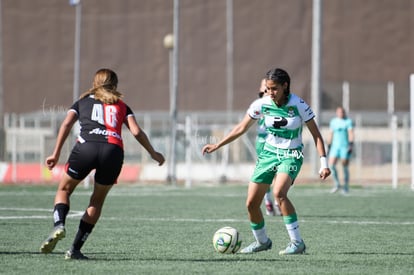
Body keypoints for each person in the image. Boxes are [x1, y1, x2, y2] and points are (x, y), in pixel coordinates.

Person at [39, 68, 165, 260]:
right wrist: (154, 154)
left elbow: (66, 124)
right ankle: (74, 249)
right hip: (112, 152)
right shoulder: (122, 105)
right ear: (115, 85)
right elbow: (137, 132)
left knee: (64, 189)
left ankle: (59, 225)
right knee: (96, 201)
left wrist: (55, 154)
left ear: (94, 83)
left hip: (86, 149)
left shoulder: (82, 102)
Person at [202, 68, 330, 255]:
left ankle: (297, 243)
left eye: (274, 88)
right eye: (268, 89)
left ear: (285, 86)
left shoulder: (299, 105)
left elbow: (317, 135)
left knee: (279, 193)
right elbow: (241, 128)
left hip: (291, 154)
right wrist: (217, 145)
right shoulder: (261, 104)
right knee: (251, 203)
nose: (270, 92)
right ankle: (262, 241)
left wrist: (324, 163)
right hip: (268, 155)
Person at [256, 78, 281, 216]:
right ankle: (268, 201)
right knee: (266, 173)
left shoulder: (277, 100)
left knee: (279, 171)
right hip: (262, 141)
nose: (268, 89)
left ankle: (277, 201)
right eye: (265, 86)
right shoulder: (261, 102)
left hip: (277, 141)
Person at [327, 106, 354, 194]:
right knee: (331, 165)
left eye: (342, 112)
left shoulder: (348, 121)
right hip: (335, 147)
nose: (340, 114)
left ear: (344, 113)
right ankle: (337, 184)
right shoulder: (333, 122)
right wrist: (329, 145)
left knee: (344, 166)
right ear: (336, 113)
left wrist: (350, 145)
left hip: (344, 147)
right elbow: (331, 134)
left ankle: (346, 186)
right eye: (339, 112)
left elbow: (350, 133)